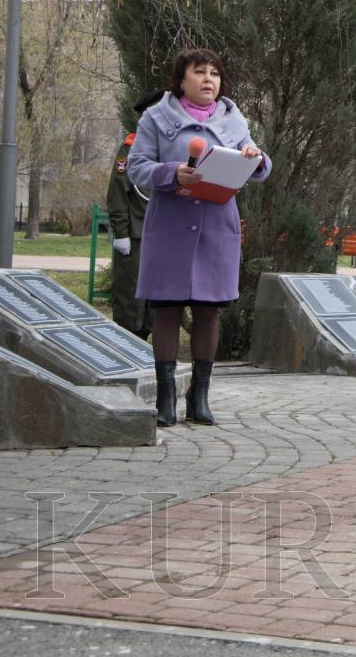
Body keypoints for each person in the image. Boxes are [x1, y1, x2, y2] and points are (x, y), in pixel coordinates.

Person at [128, 48, 271, 427]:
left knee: (209, 313)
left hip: (216, 229)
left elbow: (259, 165)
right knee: (167, 311)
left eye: (215, 73)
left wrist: (255, 157)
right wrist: (172, 172)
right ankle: (165, 398)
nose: (209, 79)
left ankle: (200, 396)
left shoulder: (234, 120)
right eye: (200, 72)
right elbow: (136, 167)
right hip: (169, 228)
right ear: (180, 80)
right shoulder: (155, 118)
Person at [105, 89, 162, 339]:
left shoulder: (170, 146)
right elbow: (118, 191)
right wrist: (121, 233)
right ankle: (127, 345)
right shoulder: (132, 146)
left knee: (157, 298)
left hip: (163, 233)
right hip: (136, 234)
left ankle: (150, 344)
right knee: (130, 295)